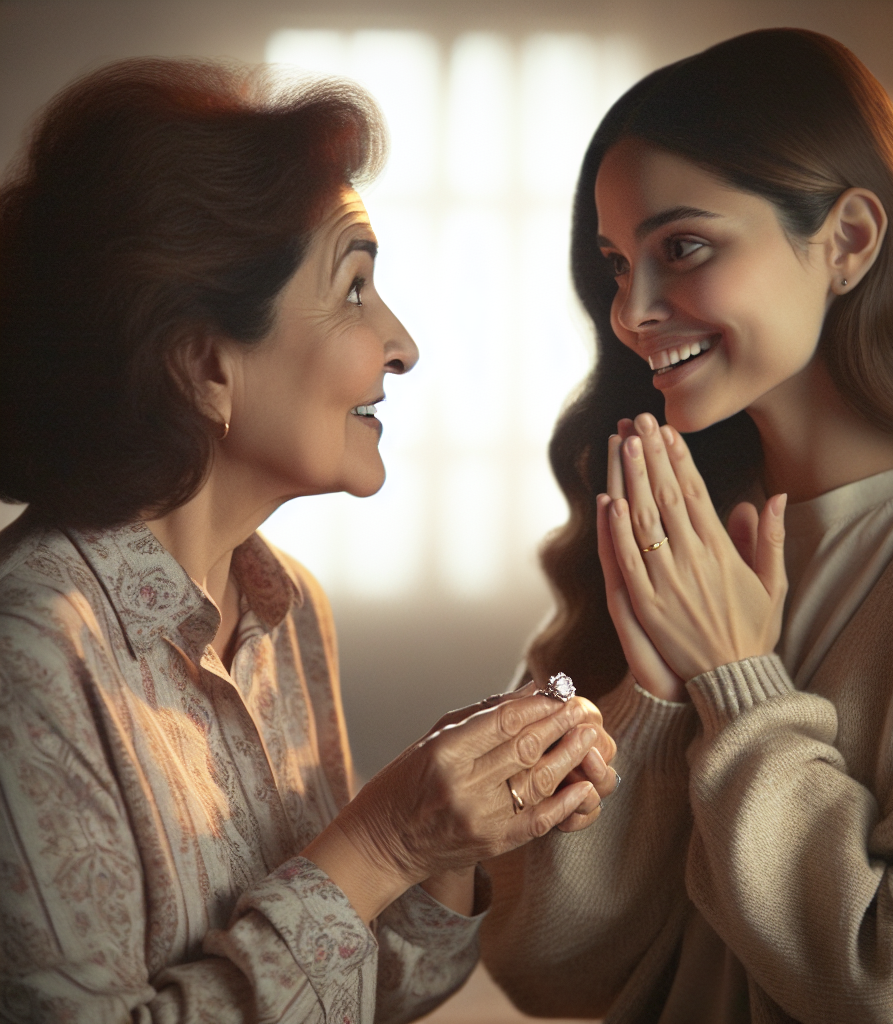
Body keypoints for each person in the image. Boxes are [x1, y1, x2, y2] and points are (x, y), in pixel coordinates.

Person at [0, 58, 619, 1022]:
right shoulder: (32, 647)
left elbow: (373, 991)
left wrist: (447, 832)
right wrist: (381, 844)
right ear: (206, 366)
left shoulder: (287, 608)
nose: (402, 344)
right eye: (356, 288)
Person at [481, 28, 893, 1024]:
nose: (631, 311)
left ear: (849, 241)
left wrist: (736, 683)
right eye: (614, 264)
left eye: (682, 247)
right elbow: (545, 967)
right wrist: (650, 699)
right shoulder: (660, 528)